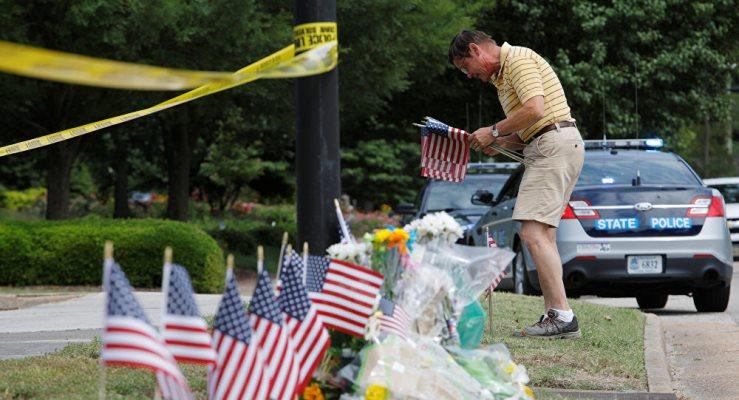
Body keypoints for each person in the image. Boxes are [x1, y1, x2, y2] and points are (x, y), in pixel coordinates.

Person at [448, 30, 584, 339]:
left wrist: (494, 132)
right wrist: (502, 141)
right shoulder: (503, 76)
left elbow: (535, 109)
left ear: (475, 50)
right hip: (552, 144)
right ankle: (557, 315)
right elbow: (531, 125)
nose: (469, 76)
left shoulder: (518, 60)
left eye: (465, 67)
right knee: (544, 235)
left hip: (552, 145)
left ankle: (562, 316)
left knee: (532, 233)